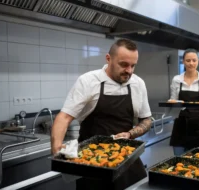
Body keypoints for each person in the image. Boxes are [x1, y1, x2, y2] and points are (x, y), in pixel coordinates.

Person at [51, 38, 152, 190]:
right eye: (124, 64)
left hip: (126, 158)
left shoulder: (138, 84)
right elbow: (64, 117)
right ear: (108, 58)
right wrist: (57, 147)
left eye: (133, 66)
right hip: (92, 163)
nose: (129, 71)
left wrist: (130, 134)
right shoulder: (88, 81)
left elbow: (146, 120)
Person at [169, 48, 199, 156]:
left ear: (198, 61)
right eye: (188, 60)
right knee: (179, 161)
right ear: (183, 62)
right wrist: (172, 102)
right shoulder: (176, 79)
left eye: (194, 60)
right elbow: (173, 100)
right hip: (180, 125)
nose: (191, 63)